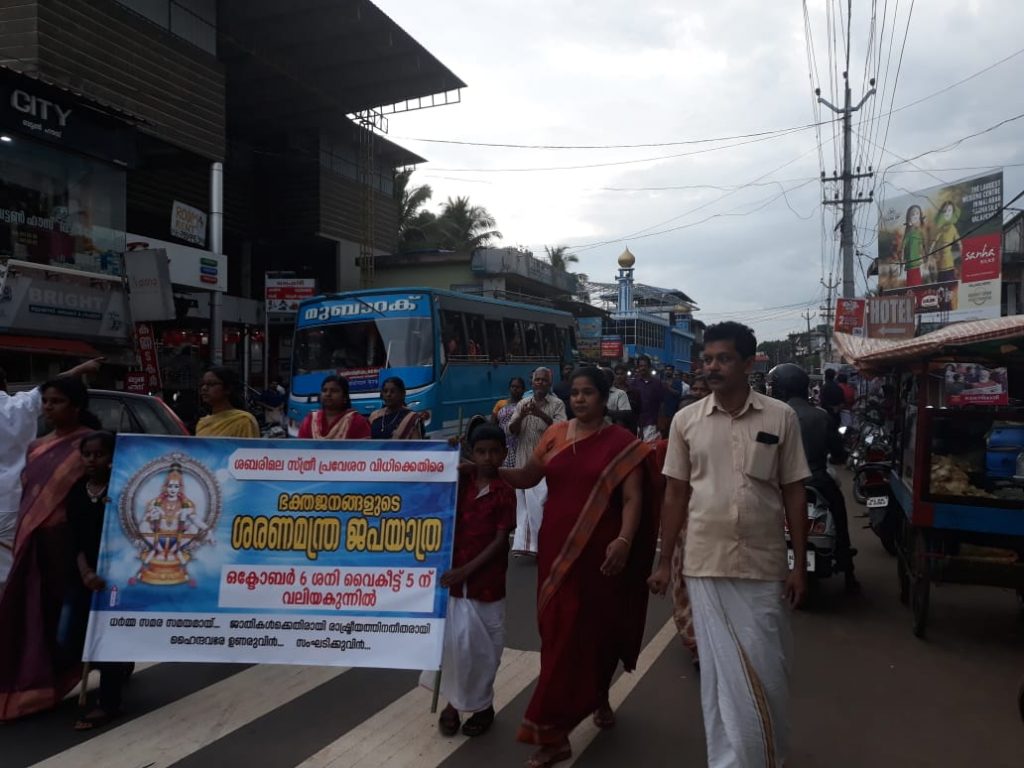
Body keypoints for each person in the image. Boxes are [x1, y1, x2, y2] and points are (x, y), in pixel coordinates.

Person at [649, 321, 810, 768]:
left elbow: (795, 491)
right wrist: (665, 562)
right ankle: (728, 761)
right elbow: (676, 493)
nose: (713, 367)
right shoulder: (686, 421)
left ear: (747, 362)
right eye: (708, 359)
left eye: (723, 359)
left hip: (763, 563)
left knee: (767, 668)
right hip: (704, 562)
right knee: (720, 676)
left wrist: (798, 565)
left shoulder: (781, 417)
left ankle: (765, 756)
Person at [501, 367, 657, 768]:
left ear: (605, 398)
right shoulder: (554, 436)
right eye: (576, 393)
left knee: (596, 633)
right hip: (556, 551)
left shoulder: (622, 443)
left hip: (601, 556)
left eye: (589, 393)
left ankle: (555, 732)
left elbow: (633, 500)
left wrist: (624, 540)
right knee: (557, 636)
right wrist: (480, 470)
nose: (581, 399)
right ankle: (588, 702)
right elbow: (525, 477)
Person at [0, 378, 102, 721]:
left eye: (57, 401)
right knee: (36, 615)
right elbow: (30, 495)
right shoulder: (36, 447)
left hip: (73, 545)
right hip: (37, 543)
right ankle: (40, 685)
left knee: (69, 622)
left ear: (76, 406)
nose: (48, 408)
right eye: (45, 401)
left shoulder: (89, 446)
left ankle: (107, 663)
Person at [434, 425, 517, 739]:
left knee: (484, 649)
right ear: (471, 452)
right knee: (455, 646)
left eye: (494, 451)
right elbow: (434, 476)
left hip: (486, 583)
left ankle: (482, 707)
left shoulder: (504, 491)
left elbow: (500, 541)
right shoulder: (463, 482)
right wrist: (449, 451)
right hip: (455, 580)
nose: (487, 458)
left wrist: (466, 570)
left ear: (504, 454)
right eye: (480, 451)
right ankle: (453, 705)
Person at [0, 358, 101, 587]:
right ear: (4, 384)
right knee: (13, 572)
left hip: (15, 503)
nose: (48, 406)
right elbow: (56, 385)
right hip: (16, 503)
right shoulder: (18, 406)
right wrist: (82, 368)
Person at [58, 431, 133, 729]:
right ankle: (116, 666)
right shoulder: (77, 491)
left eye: (98, 454)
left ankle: (109, 704)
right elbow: (74, 539)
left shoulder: (122, 490)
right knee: (69, 638)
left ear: (113, 458)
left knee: (108, 640)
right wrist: (86, 572)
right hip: (84, 576)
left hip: (115, 578)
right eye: (86, 455)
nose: (91, 460)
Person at [769, 363, 859, 593]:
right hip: (819, 480)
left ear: (781, 388)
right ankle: (847, 569)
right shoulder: (822, 416)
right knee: (839, 515)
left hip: (780, 483)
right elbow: (838, 452)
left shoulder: (772, 417)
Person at [507, 368, 566, 557]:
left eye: (543, 380)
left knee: (540, 506)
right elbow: (512, 430)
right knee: (523, 507)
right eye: (536, 380)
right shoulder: (523, 404)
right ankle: (525, 547)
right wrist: (522, 416)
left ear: (550, 384)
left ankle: (544, 544)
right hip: (523, 462)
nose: (539, 383)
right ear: (532, 383)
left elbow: (561, 430)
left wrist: (540, 414)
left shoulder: (557, 404)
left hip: (545, 465)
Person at [297, 375, 370, 440]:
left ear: (344, 397)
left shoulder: (356, 421)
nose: (328, 394)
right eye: (324, 390)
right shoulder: (310, 420)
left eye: (334, 391)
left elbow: (363, 451)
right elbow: (301, 448)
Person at [195, 367, 259, 437]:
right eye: (202, 384)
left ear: (227, 389)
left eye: (211, 384)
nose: (204, 388)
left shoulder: (243, 420)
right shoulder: (202, 423)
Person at [490, 377, 526, 467]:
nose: (515, 389)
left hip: (520, 442)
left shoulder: (526, 404)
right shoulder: (500, 404)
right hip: (503, 442)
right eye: (512, 386)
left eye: (518, 387)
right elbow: (493, 423)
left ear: (523, 389)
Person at [628, 354, 664, 442]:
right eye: (640, 366)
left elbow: (662, 403)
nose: (642, 368)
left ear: (649, 367)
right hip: (637, 423)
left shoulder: (657, 383)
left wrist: (660, 420)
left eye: (645, 366)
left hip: (652, 422)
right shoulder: (633, 383)